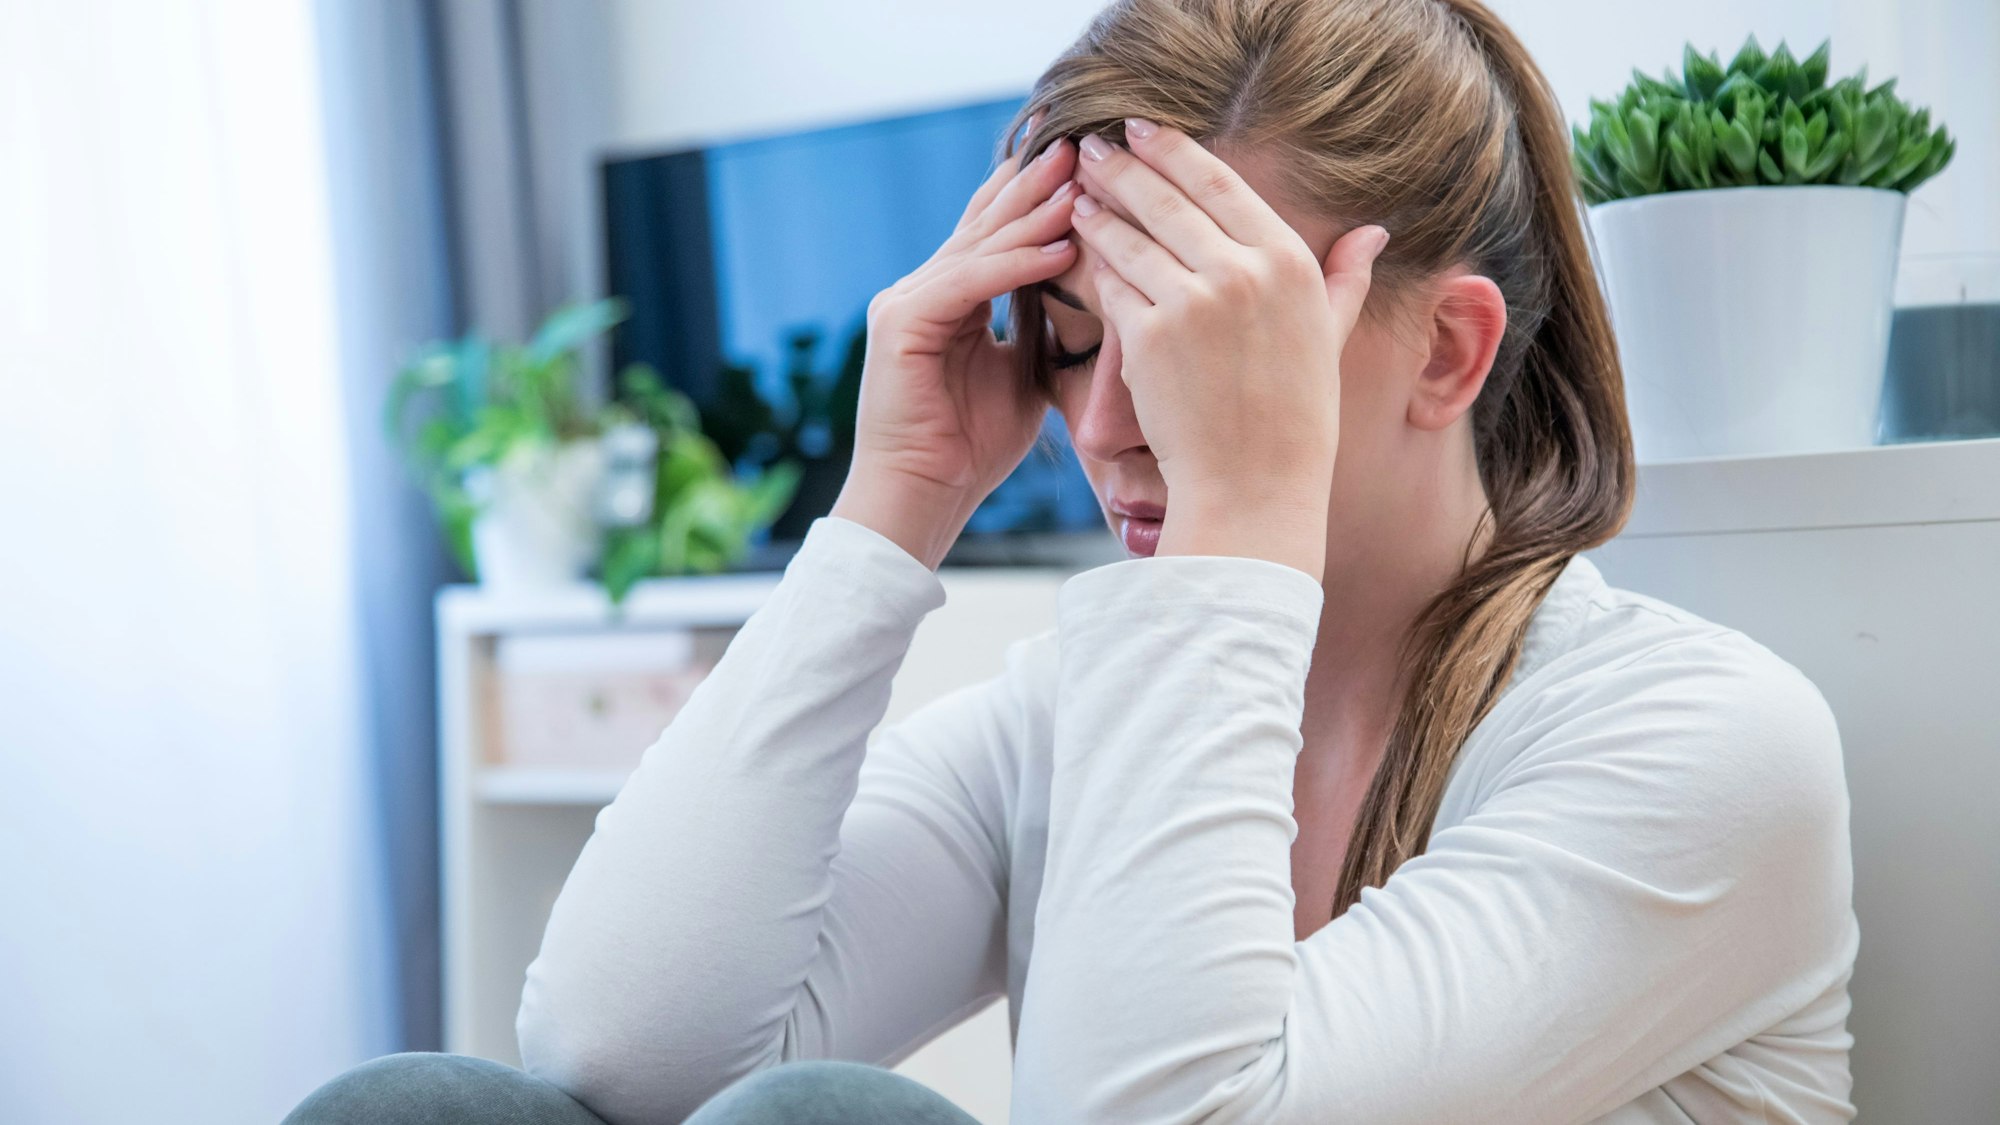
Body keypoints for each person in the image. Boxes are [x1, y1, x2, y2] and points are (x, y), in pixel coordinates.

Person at [286, 0, 1858, 1121]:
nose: (1099, 426)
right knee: (420, 1108)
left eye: (1192, 341)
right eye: (1070, 338)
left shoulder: (1698, 739)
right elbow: (619, 1053)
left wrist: (1237, 519)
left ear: (1447, 352)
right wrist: (892, 502)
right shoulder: (1070, 715)